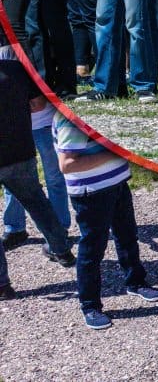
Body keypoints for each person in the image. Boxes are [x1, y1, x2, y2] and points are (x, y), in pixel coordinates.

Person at [54, 113, 158, 329]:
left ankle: (136, 282)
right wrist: (118, 154)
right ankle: (90, 305)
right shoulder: (71, 120)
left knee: (128, 236)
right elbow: (67, 164)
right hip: (91, 193)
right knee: (92, 249)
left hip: (117, 182)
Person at [0, 47, 75, 301]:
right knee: (38, 202)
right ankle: (61, 249)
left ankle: (2, 284)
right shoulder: (16, 70)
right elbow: (37, 104)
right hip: (19, 151)